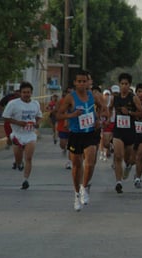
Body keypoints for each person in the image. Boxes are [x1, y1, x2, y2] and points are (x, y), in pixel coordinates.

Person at [56, 70, 107, 211]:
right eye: (79, 81)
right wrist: (72, 115)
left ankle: (84, 187)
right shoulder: (70, 98)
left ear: (88, 82)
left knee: (90, 162)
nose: (82, 84)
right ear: (75, 83)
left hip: (90, 133)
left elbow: (104, 109)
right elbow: (59, 115)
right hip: (75, 134)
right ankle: (77, 194)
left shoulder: (94, 96)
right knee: (77, 165)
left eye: (84, 81)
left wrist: (100, 120)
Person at [2, 81, 42, 189]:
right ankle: (18, 163)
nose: (26, 94)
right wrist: (18, 123)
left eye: (28, 92)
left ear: (31, 93)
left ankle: (25, 180)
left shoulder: (35, 104)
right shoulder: (13, 104)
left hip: (30, 134)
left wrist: (37, 123)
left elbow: (39, 116)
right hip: (17, 135)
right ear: (20, 93)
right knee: (19, 158)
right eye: (24, 92)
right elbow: (5, 117)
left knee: (28, 158)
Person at [111, 73, 142, 194]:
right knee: (118, 155)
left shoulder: (133, 98)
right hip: (118, 131)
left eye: (126, 84)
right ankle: (118, 182)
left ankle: (129, 166)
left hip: (130, 131)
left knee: (128, 159)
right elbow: (109, 110)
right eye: (122, 84)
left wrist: (129, 112)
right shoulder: (115, 98)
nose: (124, 86)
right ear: (119, 85)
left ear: (130, 85)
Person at [53, 87, 73, 169]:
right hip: (62, 126)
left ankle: (69, 162)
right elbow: (55, 112)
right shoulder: (60, 102)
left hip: (72, 127)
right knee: (62, 144)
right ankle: (65, 148)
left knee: (71, 145)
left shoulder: (76, 102)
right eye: (68, 92)